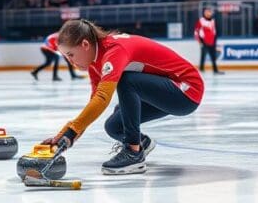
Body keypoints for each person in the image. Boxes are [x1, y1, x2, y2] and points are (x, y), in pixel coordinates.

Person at [41, 19, 203, 175]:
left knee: (126, 81)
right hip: (169, 93)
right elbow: (95, 102)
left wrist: (71, 131)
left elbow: (103, 98)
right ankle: (141, 143)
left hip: (186, 90)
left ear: (85, 45)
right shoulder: (95, 62)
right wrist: (67, 137)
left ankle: (133, 153)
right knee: (114, 126)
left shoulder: (114, 50)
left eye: (70, 55)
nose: (70, 62)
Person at [194, 8, 224, 74]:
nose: (208, 13)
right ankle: (201, 70)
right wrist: (199, 40)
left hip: (212, 41)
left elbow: (214, 31)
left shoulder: (213, 21)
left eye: (209, 12)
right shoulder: (201, 20)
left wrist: (214, 40)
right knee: (203, 56)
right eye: (206, 12)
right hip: (203, 41)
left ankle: (215, 70)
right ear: (204, 13)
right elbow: (196, 31)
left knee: (213, 57)